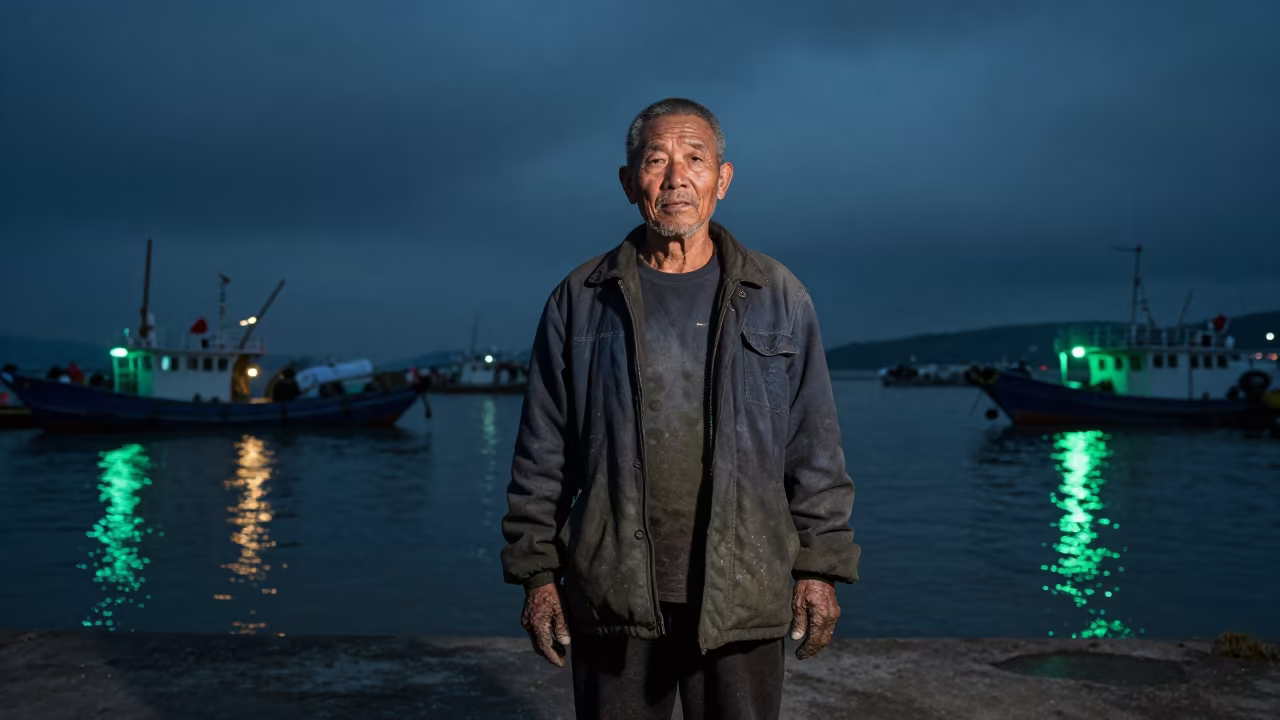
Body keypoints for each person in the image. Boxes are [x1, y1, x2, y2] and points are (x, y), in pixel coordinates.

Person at [500, 98, 859, 720]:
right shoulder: (581, 301)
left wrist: (820, 568)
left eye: (695, 160)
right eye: (655, 160)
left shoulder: (778, 296)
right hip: (614, 593)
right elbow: (543, 450)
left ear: (722, 180)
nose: (675, 178)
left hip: (745, 589)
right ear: (627, 181)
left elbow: (814, 446)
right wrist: (538, 577)